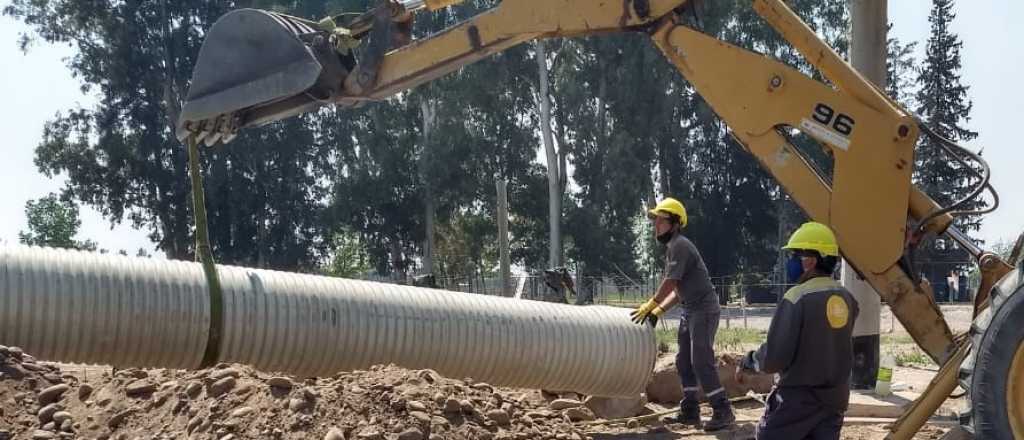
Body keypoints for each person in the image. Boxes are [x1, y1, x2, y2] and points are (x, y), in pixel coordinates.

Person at [736, 221, 859, 440]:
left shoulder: (797, 298)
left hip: (797, 401)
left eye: (795, 256)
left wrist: (750, 360)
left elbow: (775, 357)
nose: (791, 262)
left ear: (810, 261)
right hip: (835, 399)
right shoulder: (847, 298)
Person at [630, 197, 735, 431]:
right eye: (655, 221)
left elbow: (671, 282)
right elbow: (679, 291)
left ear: (676, 223)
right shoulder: (673, 248)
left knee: (701, 361)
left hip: (704, 310)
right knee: (684, 361)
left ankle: (723, 410)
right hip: (690, 310)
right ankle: (690, 411)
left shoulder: (680, 245)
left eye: (661, 220)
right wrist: (658, 311)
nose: (656, 225)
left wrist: (652, 303)